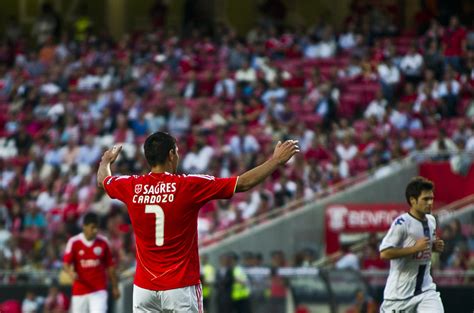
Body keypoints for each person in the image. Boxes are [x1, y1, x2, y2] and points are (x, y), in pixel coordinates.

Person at [97, 131, 299, 312]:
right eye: (176, 151)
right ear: (171, 155)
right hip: (180, 287)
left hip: (144, 289)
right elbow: (243, 183)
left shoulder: (131, 186)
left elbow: (103, 181)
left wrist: (105, 161)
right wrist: (275, 161)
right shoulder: (189, 185)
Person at [379, 176, 445, 312]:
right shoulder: (402, 223)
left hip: (426, 290)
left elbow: (423, 247)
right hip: (399, 296)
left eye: (431, 198)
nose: (430, 202)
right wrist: (414, 249)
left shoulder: (431, 220)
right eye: (425, 199)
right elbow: (384, 253)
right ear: (413, 201)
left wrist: (432, 247)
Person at [63, 212, 120, 313]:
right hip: (80, 290)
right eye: (92, 227)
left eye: (96, 228)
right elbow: (66, 264)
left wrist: (115, 287)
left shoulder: (103, 242)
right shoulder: (74, 242)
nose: (95, 231)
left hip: (99, 290)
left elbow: (110, 266)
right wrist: (71, 272)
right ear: (84, 226)